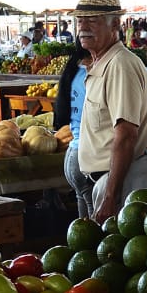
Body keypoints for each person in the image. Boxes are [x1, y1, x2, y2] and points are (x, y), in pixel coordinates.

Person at [72, 0, 147, 223]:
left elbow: (126, 135)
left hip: (119, 184)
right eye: (80, 20)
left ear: (115, 25)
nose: (83, 27)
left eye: (93, 20)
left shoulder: (120, 65)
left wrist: (111, 197)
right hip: (107, 182)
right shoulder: (102, 62)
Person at [53, 39, 93, 217]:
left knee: (83, 223)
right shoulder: (91, 76)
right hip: (84, 156)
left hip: (73, 153)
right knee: (94, 219)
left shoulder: (74, 70)